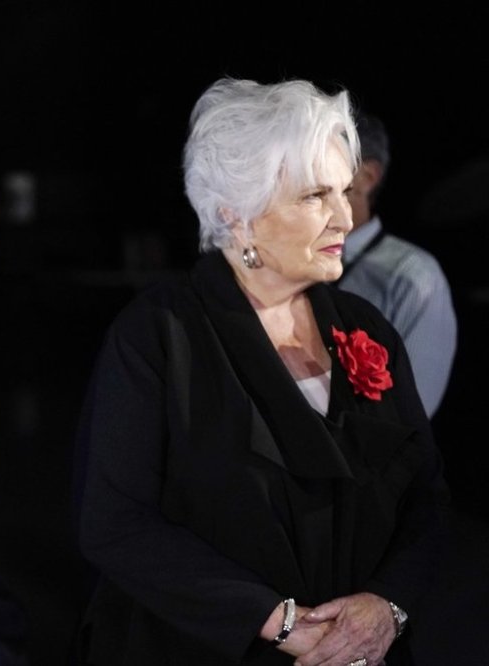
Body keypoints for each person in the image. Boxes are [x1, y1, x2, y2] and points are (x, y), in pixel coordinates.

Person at [76, 78, 451, 665]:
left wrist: (387, 606)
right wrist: (277, 622)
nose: (344, 220)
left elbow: (426, 502)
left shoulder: (368, 330)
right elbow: (115, 522)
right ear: (238, 215)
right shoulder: (156, 337)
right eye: (314, 197)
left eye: (345, 192)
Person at [337, 111, 457, 417]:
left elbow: (410, 418)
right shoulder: (288, 260)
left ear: (367, 177)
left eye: (325, 163)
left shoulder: (414, 277)